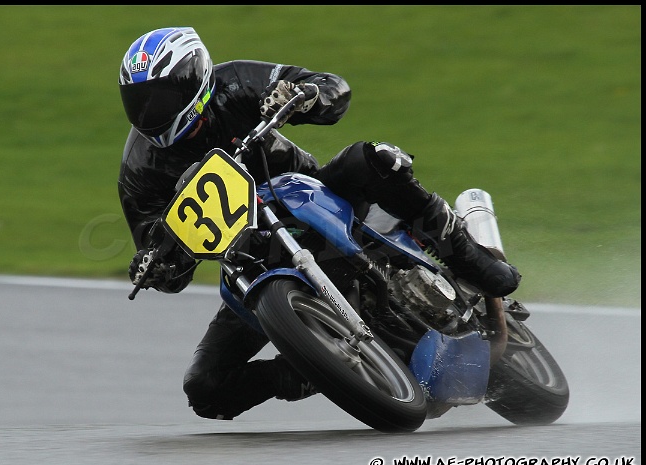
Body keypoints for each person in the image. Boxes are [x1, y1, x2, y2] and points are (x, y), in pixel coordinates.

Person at [117, 27, 521, 421]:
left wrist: (305, 95)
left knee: (374, 158)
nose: (150, 112)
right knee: (205, 388)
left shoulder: (235, 82)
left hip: (313, 195)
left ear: (195, 78)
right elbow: (157, 250)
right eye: (139, 102)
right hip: (250, 258)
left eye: (160, 98)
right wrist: (153, 265)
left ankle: (473, 261)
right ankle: (316, 369)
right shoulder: (139, 167)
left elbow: (330, 86)